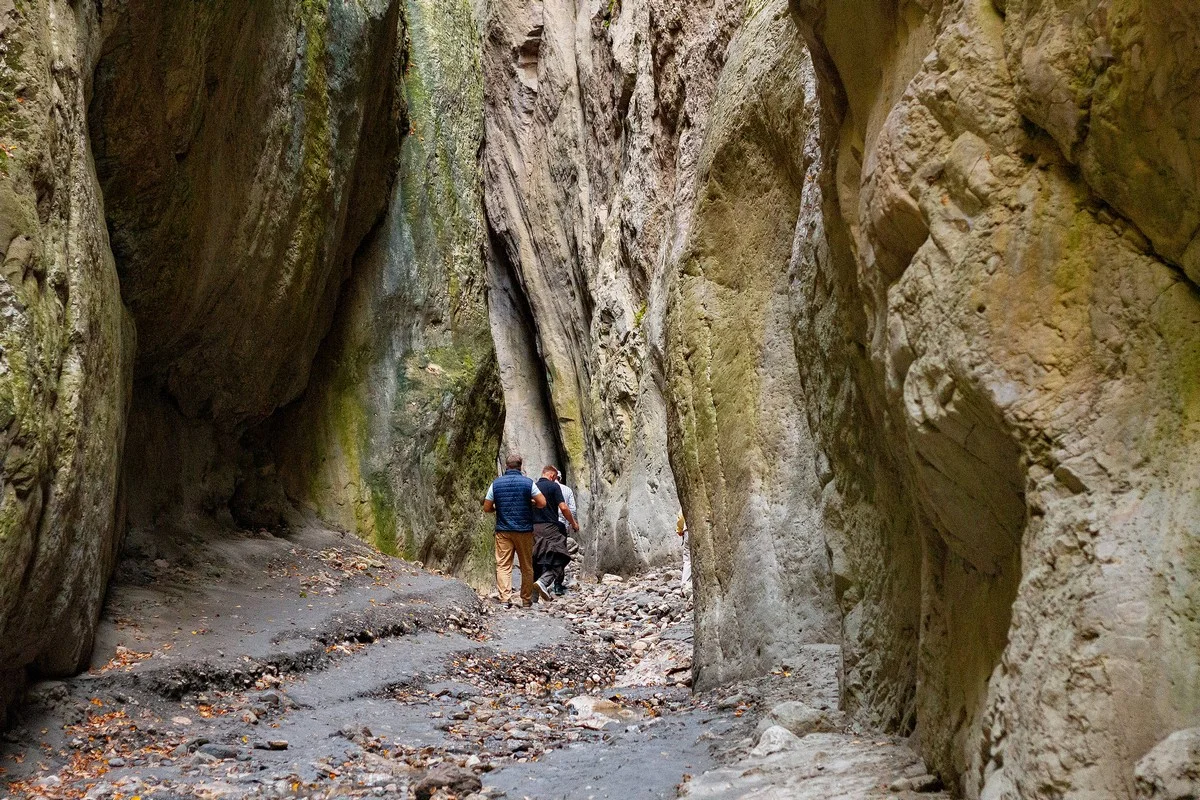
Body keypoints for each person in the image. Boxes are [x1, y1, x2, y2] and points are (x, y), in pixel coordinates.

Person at [483, 453, 546, 608]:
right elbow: (542, 502)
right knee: (526, 565)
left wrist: (497, 508)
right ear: (520, 466)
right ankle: (526, 599)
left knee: (503, 565)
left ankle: (505, 599)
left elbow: (486, 507)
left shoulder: (496, 484)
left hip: (503, 530)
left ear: (506, 466)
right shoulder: (528, 483)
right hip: (524, 530)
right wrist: (531, 503)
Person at [532, 466, 578, 602]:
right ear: (552, 475)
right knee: (561, 556)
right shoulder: (553, 487)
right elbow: (564, 507)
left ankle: (532, 597)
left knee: (536, 559)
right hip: (550, 527)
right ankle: (544, 582)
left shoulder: (532, 487)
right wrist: (573, 523)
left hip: (532, 528)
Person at [553, 467, 577, 595]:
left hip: (544, 525)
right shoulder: (566, 490)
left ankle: (541, 582)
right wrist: (570, 523)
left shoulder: (540, 488)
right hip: (560, 524)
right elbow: (571, 509)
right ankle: (557, 584)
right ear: (560, 478)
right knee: (560, 553)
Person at [677, 511, 692, 594]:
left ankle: (684, 585)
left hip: (687, 530)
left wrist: (679, 529)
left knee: (688, 560)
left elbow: (680, 518)